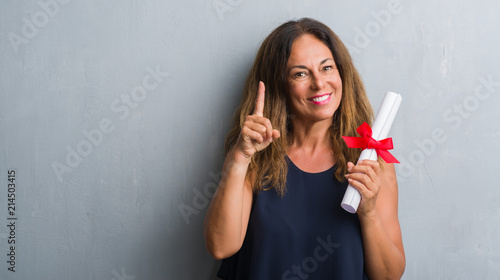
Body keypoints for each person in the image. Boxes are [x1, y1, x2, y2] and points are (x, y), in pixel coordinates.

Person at [203, 18, 405, 280]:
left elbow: (389, 276)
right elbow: (220, 246)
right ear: (280, 86)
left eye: (327, 68)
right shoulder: (254, 157)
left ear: (342, 73)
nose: (319, 83)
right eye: (300, 73)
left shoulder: (371, 160)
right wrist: (239, 160)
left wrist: (369, 212)